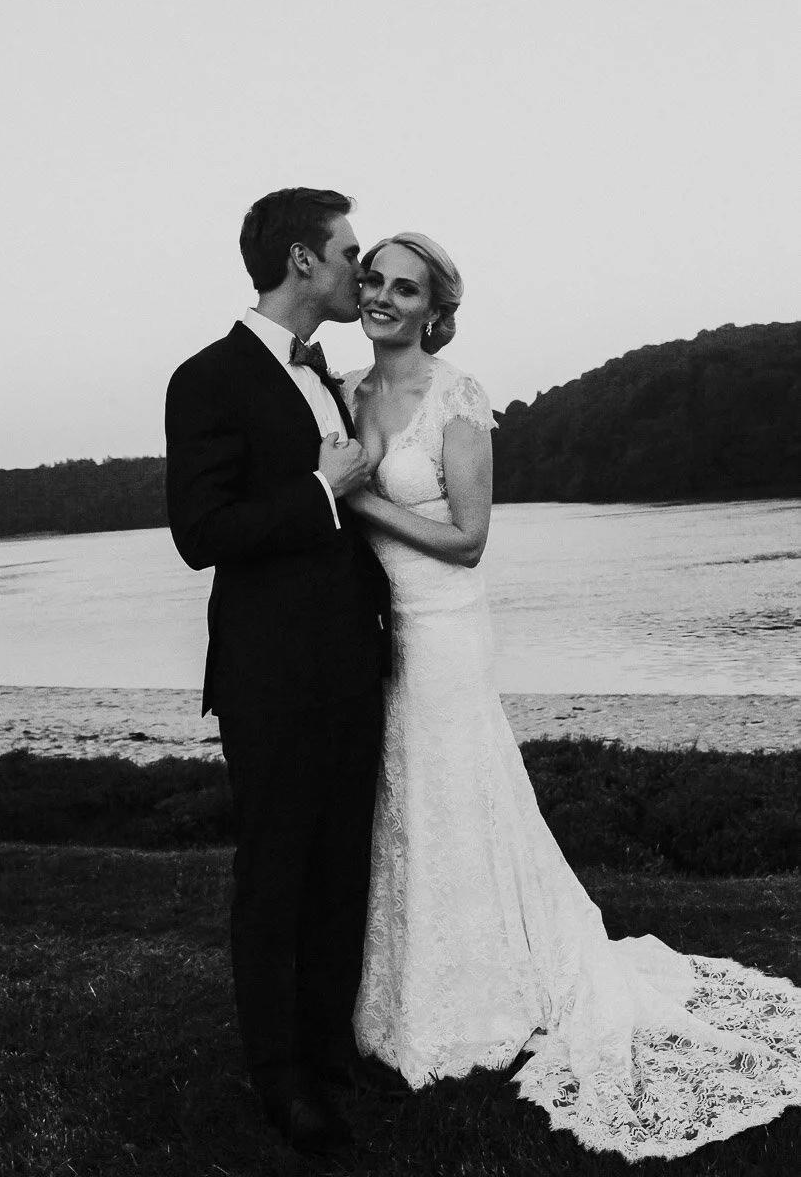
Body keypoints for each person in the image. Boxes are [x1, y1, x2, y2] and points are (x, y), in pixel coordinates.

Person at [340, 231, 801, 1163]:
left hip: (446, 631)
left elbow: (470, 537)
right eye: (373, 280)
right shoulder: (348, 392)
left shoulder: (456, 397)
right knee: (407, 806)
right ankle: (410, 986)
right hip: (380, 632)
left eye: (405, 287)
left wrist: (350, 499)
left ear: (435, 308)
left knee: (456, 790)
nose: (383, 297)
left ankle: (499, 989)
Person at [164, 188, 400, 1156]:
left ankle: (327, 1046)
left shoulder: (328, 374)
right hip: (269, 676)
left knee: (342, 868)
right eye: (348, 253)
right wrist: (318, 489)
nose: (360, 269)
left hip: (352, 663)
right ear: (302, 260)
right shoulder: (208, 377)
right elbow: (200, 533)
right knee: (275, 878)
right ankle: (282, 1079)